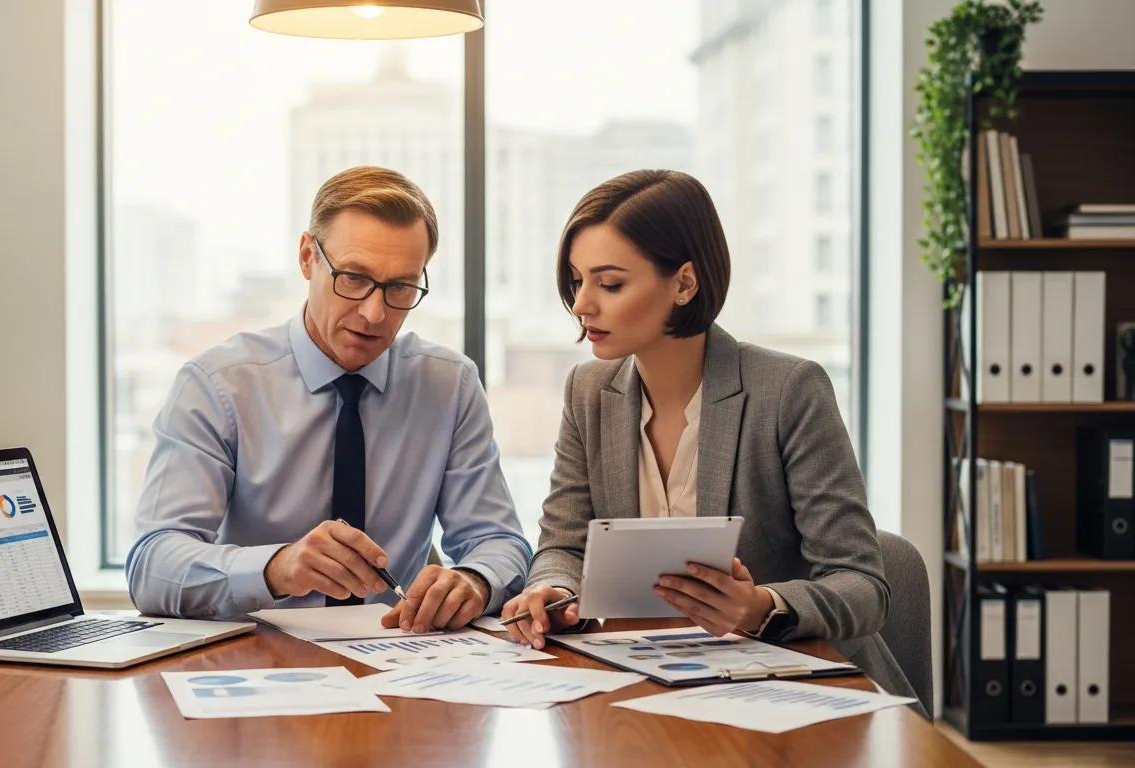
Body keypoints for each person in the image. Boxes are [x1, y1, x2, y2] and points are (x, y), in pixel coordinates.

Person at [500, 169, 913, 698]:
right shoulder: (588, 390)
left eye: (610, 283)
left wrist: (762, 606)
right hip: (644, 679)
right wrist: (551, 589)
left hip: (793, 684)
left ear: (685, 283)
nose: (582, 304)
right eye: (577, 280)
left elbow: (861, 586)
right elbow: (564, 542)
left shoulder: (788, 390)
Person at [128, 166, 530, 632]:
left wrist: (473, 580)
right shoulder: (217, 385)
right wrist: (277, 568)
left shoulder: (449, 385)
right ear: (307, 257)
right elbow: (152, 566)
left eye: (400, 287)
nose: (374, 313)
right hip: (258, 664)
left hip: (402, 659)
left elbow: (499, 541)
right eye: (354, 278)